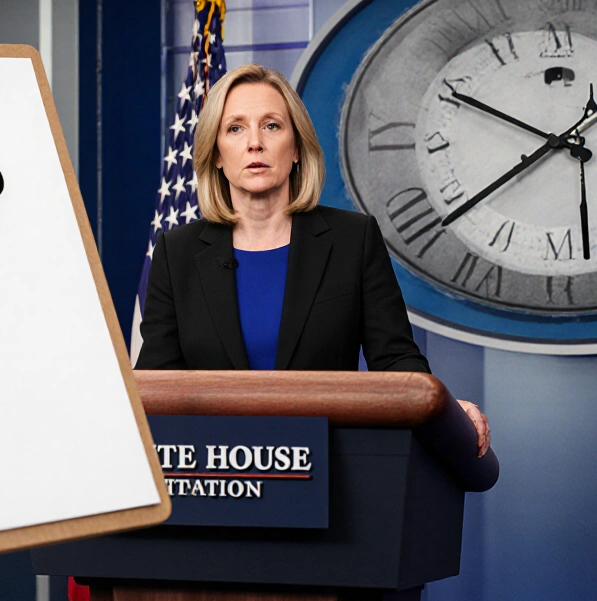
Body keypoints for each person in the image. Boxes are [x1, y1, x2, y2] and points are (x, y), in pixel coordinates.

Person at [135, 63, 490, 456]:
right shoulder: (178, 253)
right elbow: (155, 384)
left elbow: (395, 360)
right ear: (216, 154)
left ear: (298, 147)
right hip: (215, 474)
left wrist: (444, 411)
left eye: (271, 125)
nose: (255, 143)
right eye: (235, 128)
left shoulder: (353, 240)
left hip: (330, 468)